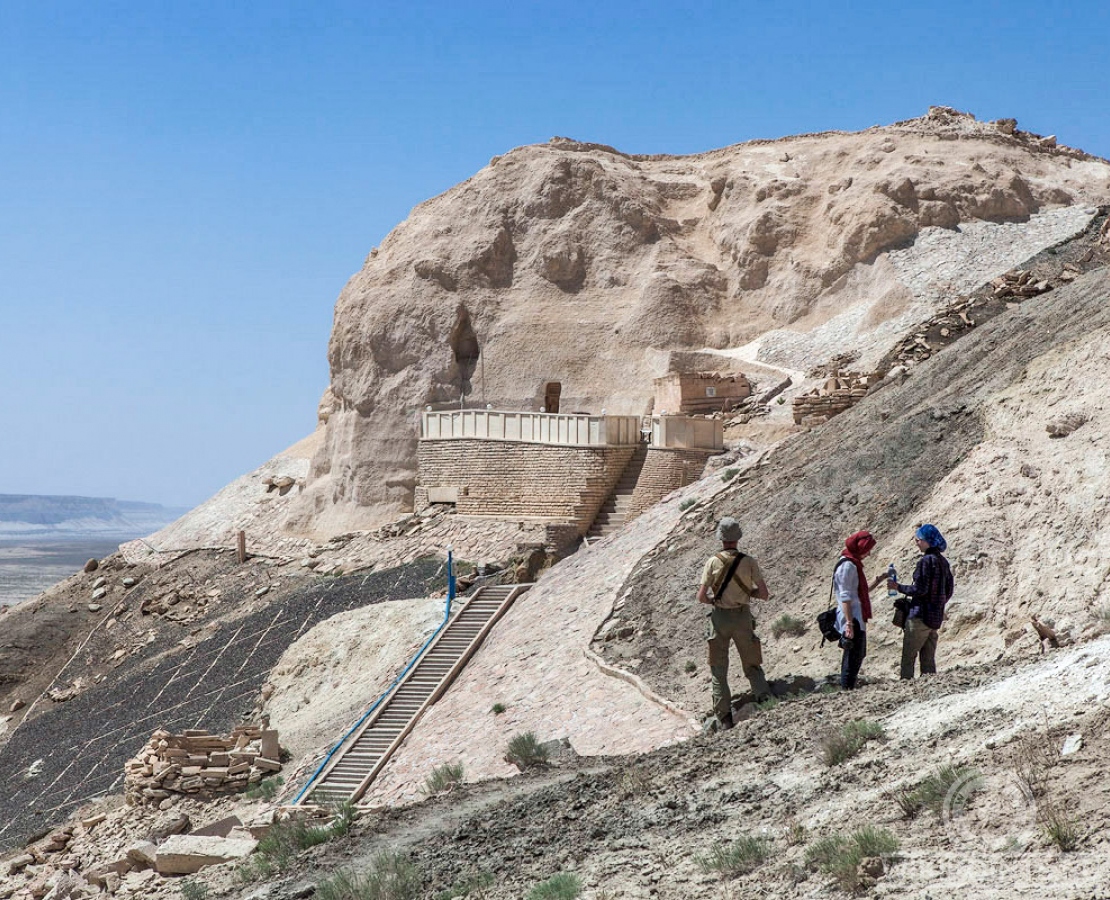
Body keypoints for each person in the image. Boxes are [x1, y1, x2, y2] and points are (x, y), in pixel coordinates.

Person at [696, 517, 771, 729]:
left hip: (720, 618)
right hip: (743, 617)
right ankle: (766, 702)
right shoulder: (749, 562)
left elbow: (701, 597)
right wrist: (746, 594)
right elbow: (764, 594)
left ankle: (725, 719)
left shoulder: (712, 562)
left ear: (721, 538)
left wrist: (715, 600)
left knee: (718, 670)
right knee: (752, 664)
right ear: (738, 538)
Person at [889, 523, 954, 679]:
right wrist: (938, 604)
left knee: (908, 658)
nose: (916, 543)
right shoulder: (943, 562)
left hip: (919, 617)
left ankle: (906, 690)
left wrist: (898, 587)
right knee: (928, 661)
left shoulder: (926, 562)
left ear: (927, 541)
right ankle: (928, 691)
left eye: (918, 539)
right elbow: (949, 590)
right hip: (935, 618)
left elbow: (920, 589)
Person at [834, 531, 886, 690]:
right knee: (852, 657)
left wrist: (879, 580)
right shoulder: (847, 565)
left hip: (856, 617)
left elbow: (858, 593)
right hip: (853, 618)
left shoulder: (853, 564)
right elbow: (845, 597)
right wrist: (849, 623)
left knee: (857, 654)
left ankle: (848, 688)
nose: (869, 553)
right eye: (867, 550)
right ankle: (846, 690)